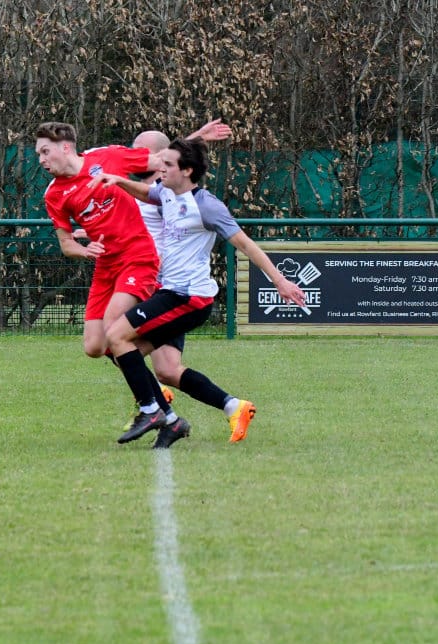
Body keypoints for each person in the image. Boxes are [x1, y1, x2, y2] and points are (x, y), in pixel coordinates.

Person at [93, 137, 307, 447]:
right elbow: (146, 192)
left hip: (188, 297)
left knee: (115, 336)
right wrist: (118, 180)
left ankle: (154, 412)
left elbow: (246, 244)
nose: (160, 169)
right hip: (170, 294)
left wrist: (280, 282)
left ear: (187, 171)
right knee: (151, 364)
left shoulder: (207, 206)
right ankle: (223, 409)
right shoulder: (166, 192)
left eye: (167, 164)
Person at [35, 121, 177, 442]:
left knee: (115, 330)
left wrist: (197, 141)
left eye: (45, 152)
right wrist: (85, 251)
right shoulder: (54, 194)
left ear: (65, 147)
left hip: (138, 255)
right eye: (38, 154)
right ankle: (167, 414)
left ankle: (151, 407)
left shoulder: (107, 157)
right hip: (106, 266)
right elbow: (66, 243)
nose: (41, 160)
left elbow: (161, 158)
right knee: (95, 346)